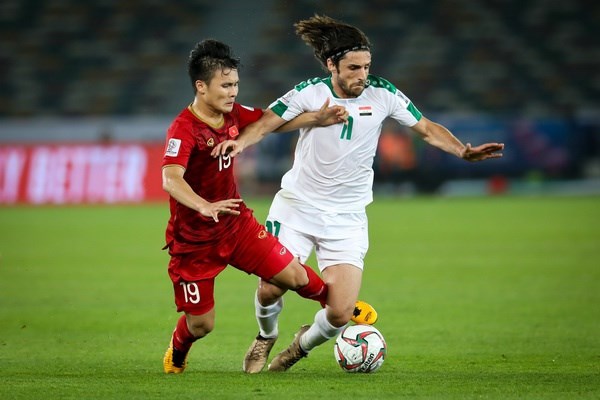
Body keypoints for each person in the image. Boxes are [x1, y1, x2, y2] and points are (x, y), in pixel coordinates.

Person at [212, 15, 504, 373]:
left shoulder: (383, 93)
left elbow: (426, 128)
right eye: (353, 67)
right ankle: (264, 336)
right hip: (297, 208)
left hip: (347, 217)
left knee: (338, 313)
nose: (362, 75)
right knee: (272, 288)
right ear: (331, 64)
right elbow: (265, 123)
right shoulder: (310, 92)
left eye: (366, 66)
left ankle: (296, 349)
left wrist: (461, 151)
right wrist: (239, 143)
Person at [161, 39, 351, 374]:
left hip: (235, 223)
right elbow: (171, 179)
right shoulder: (184, 129)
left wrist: (315, 119)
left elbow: (269, 121)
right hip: (195, 242)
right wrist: (203, 206)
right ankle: (178, 348)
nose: (233, 92)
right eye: (226, 85)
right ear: (201, 87)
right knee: (202, 325)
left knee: (291, 273)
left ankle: (338, 306)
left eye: (235, 84)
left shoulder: (233, 113)